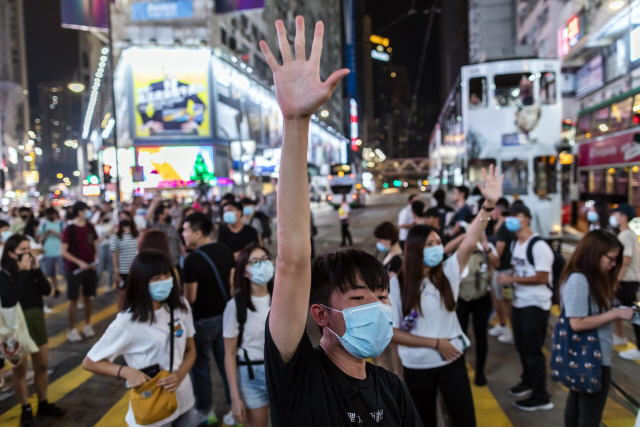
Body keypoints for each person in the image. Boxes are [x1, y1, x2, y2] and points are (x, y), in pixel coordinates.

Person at [259, 17, 422, 426]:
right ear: (320, 315)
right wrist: (296, 123)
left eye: (383, 297)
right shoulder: (298, 379)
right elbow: (293, 260)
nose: (381, 309)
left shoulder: (392, 387)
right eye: (359, 298)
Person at [389, 166, 503, 426]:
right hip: (417, 365)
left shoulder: (449, 272)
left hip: (452, 360)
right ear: (414, 250)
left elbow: (469, 240)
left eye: (437, 242)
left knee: (464, 420)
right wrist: (435, 344)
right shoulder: (397, 284)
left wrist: (489, 205)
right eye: (428, 244)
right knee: (425, 421)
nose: (436, 247)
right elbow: (392, 332)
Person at [82, 250, 198, 427]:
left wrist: (180, 374)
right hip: (152, 410)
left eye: (167, 275)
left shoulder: (181, 306)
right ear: (141, 282)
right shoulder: (127, 322)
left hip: (184, 401)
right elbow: (90, 362)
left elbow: (191, 350)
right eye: (156, 278)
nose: (164, 281)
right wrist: (126, 372)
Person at [559, 230, 634, 427]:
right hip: (591, 357)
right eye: (611, 258)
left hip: (589, 356)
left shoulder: (590, 278)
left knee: (578, 407)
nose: (614, 264)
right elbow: (577, 322)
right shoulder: (579, 279)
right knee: (589, 416)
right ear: (595, 253)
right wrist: (615, 314)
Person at [0, 235, 65, 425]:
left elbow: (46, 290)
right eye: (22, 250)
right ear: (11, 253)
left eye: (29, 248)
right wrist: (25, 272)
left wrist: (35, 270)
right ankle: (25, 407)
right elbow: (12, 299)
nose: (28, 253)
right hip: (15, 328)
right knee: (19, 370)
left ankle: (43, 402)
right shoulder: (4, 275)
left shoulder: (32, 269)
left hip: (35, 320)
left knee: (42, 366)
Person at [497, 203, 555, 411]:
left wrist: (511, 278)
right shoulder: (515, 244)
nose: (511, 219)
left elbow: (542, 277)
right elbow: (517, 270)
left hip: (536, 304)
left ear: (527, 219)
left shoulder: (538, 246)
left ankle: (541, 395)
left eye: (516, 215)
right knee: (521, 346)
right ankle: (528, 381)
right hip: (520, 302)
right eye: (509, 216)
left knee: (533, 350)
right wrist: (510, 290)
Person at [182, 212, 237, 426]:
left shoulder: (192, 261)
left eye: (186, 230)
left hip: (202, 322)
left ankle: (205, 412)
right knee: (228, 364)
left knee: (201, 368)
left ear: (198, 232)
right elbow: (231, 285)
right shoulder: (225, 250)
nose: (183, 235)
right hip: (226, 318)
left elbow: (191, 298)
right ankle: (235, 408)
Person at [223, 243, 274, 427]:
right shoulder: (235, 306)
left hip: (280, 372)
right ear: (244, 272)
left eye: (265, 259)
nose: (263, 264)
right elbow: (229, 353)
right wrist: (235, 397)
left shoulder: (282, 300)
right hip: (250, 375)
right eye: (255, 262)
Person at [450, 229, 499, 386]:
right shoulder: (462, 246)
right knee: (460, 334)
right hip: (461, 299)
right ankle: (460, 370)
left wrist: (486, 246)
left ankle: (480, 372)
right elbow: (445, 250)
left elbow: (497, 263)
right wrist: (463, 236)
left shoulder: (487, 246)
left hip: (482, 298)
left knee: (481, 336)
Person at [61, 202, 99, 342]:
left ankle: (87, 325)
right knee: (74, 300)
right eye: (85, 210)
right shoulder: (69, 229)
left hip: (90, 268)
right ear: (79, 212)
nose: (87, 212)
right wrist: (79, 262)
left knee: (88, 298)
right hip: (74, 270)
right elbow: (63, 252)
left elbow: (94, 244)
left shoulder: (90, 227)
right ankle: (71, 329)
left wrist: (95, 259)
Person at [609, 204, 640, 360]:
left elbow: (625, 260)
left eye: (616, 214)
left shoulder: (626, 235)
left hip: (627, 280)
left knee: (632, 314)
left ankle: (638, 347)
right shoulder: (625, 234)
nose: (614, 216)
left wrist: (616, 281)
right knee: (618, 308)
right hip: (627, 279)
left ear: (624, 217)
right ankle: (619, 336)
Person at [489, 198, 516, 344]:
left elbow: (498, 254)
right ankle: (503, 325)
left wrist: (487, 250)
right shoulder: (503, 226)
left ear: (498, 210)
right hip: (503, 270)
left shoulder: (504, 228)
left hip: (503, 272)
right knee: (499, 298)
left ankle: (511, 330)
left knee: (506, 300)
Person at [111, 211, 140, 310]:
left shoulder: (137, 234)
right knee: (123, 298)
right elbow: (114, 255)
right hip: (123, 271)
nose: (124, 220)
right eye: (121, 218)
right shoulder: (116, 236)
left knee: (137, 297)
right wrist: (116, 272)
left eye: (126, 217)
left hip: (136, 271)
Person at [148, 203, 185, 272]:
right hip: (161, 264)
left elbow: (179, 243)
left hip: (175, 262)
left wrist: (185, 256)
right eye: (166, 213)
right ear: (160, 215)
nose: (168, 215)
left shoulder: (172, 227)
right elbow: (148, 218)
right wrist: (155, 201)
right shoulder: (155, 228)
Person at [38, 208, 65, 298]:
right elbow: (40, 240)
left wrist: (56, 233)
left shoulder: (61, 224)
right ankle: (56, 288)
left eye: (51, 214)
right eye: (48, 215)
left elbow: (64, 239)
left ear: (55, 214)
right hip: (47, 253)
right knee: (51, 273)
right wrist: (46, 234)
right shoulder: (44, 225)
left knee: (64, 272)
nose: (50, 216)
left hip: (60, 252)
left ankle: (69, 287)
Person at [95, 211, 115, 289]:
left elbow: (114, 234)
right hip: (101, 247)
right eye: (104, 216)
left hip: (110, 247)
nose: (105, 217)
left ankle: (109, 285)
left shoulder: (109, 225)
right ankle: (95, 285)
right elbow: (96, 241)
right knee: (100, 268)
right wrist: (105, 235)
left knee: (111, 267)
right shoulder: (96, 227)